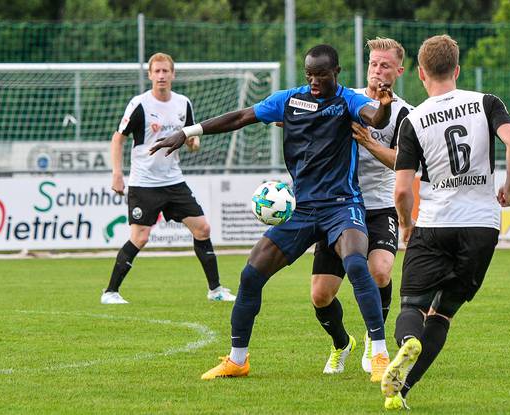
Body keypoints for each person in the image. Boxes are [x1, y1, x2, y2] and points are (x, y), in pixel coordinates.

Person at [150, 44, 394, 382]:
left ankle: (380, 356)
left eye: (320, 76)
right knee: (251, 273)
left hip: (342, 205)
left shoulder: (347, 101)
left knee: (355, 262)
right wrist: (188, 132)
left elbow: (373, 116)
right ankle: (238, 360)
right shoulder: (289, 100)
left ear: (335, 73)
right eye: (309, 75)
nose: (313, 82)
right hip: (302, 208)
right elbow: (240, 117)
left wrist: (383, 107)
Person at [380, 34, 510, 410]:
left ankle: (407, 342)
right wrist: (508, 188)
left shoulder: (413, 120)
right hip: (481, 224)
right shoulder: (486, 103)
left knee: (411, 307)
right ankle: (401, 393)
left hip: (435, 222)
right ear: (457, 69)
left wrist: (407, 225)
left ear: (421, 73)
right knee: (442, 314)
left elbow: (401, 191)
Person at [310, 38, 413, 377]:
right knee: (321, 296)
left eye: (385, 65)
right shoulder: (345, 100)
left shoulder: (405, 114)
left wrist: (369, 141)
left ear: (399, 71)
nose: (377, 70)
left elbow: (403, 162)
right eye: (373, 64)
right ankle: (342, 343)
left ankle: (374, 337)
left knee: (380, 271)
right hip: (338, 207)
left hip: (380, 206)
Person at [101, 52, 236, 305]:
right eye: (157, 71)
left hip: (173, 181)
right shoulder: (139, 104)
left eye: (166, 71)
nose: (161, 76)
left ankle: (215, 290)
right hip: (144, 182)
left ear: (173, 74)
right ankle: (110, 292)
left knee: (202, 228)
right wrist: (117, 173)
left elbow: (191, 139)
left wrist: (193, 143)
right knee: (140, 237)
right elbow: (118, 138)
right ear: (150, 75)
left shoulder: (183, 103)